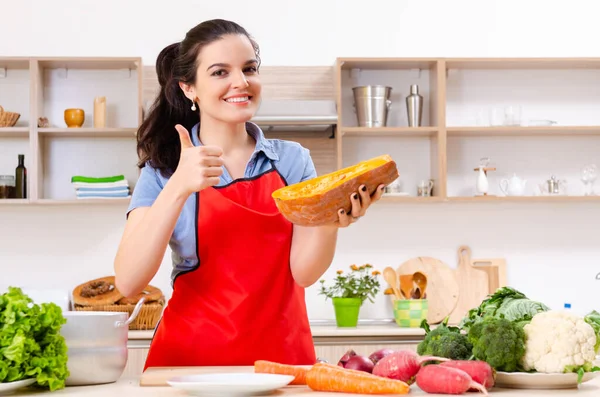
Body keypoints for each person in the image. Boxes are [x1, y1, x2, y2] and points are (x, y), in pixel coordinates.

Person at [113, 19, 385, 369]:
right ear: (188, 88)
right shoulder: (163, 171)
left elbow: (303, 273)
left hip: (281, 365)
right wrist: (179, 185)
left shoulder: (292, 161)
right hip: (188, 369)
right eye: (219, 72)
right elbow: (128, 280)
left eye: (249, 68)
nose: (240, 82)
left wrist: (330, 219)